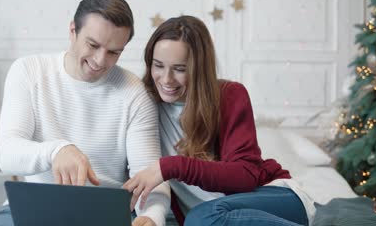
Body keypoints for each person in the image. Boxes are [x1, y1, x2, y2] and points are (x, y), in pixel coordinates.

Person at [0, 0, 170, 226]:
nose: (100, 61)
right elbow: (7, 155)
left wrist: (152, 217)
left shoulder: (135, 93)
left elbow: (150, 177)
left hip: (103, 213)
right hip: (34, 208)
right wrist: (57, 150)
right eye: (93, 45)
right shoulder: (28, 71)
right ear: (73, 31)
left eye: (113, 52)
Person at [123, 15, 315, 226]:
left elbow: (244, 176)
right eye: (158, 65)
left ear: (199, 69)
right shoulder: (143, 105)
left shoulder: (230, 95)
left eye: (179, 69)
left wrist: (171, 166)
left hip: (275, 198)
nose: (166, 79)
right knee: (198, 219)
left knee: (201, 217)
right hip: (214, 220)